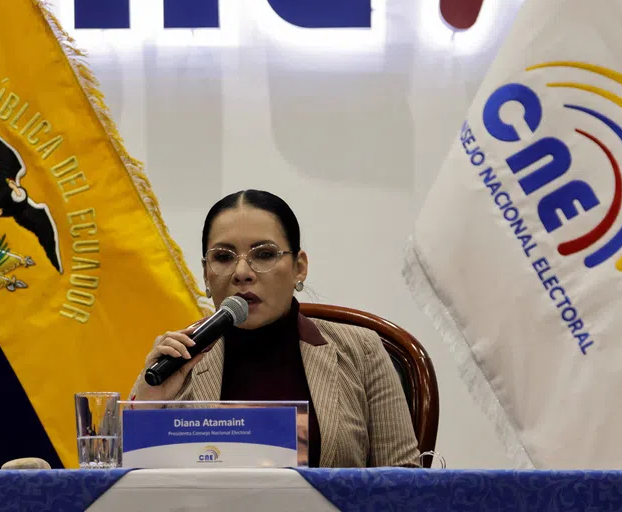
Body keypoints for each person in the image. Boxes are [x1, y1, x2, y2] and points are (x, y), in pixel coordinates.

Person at [130, 190, 420, 468]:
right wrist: (146, 406)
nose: (242, 272)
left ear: (299, 267)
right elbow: (124, 490)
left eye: (264, 254)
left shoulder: (362, 351)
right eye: (223, 257)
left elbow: (405, 484)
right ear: (206, 273)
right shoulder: (178, 360)